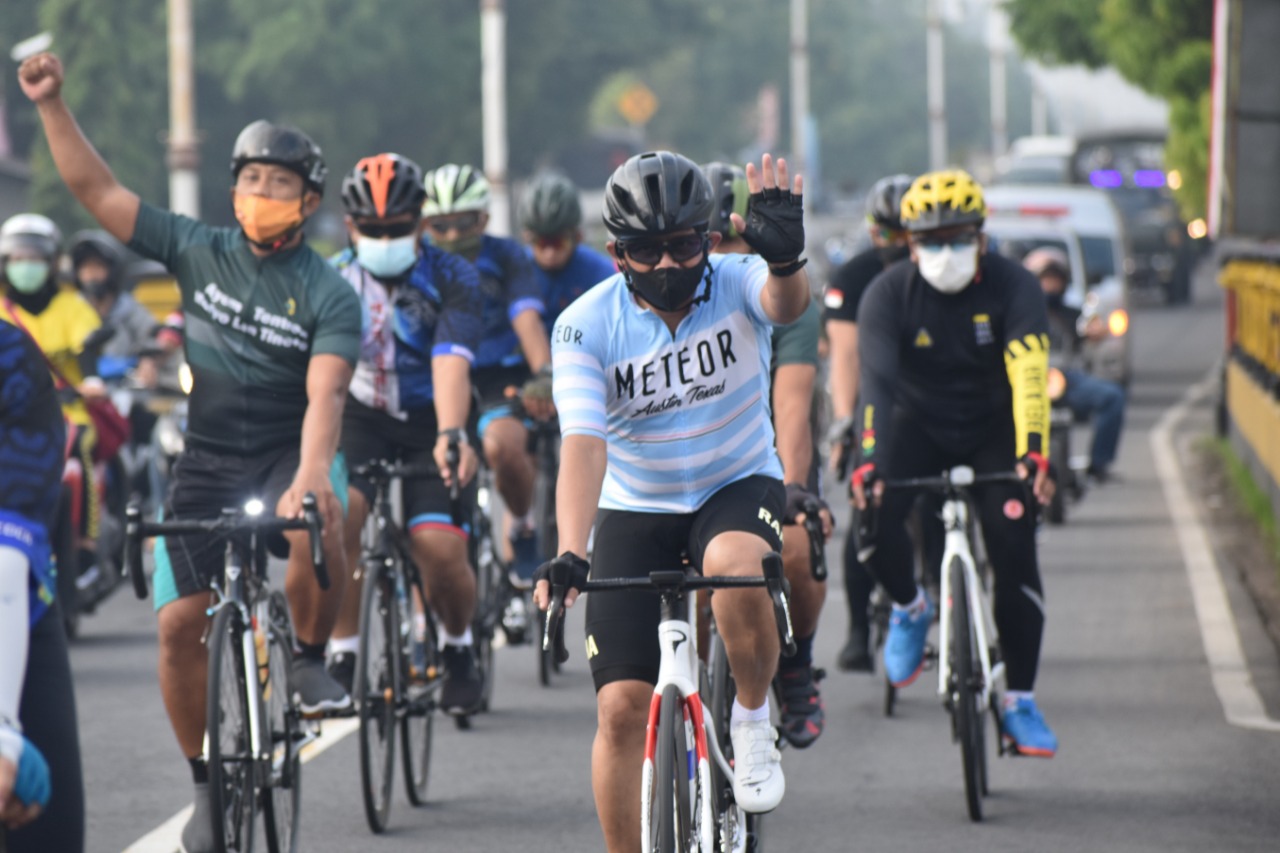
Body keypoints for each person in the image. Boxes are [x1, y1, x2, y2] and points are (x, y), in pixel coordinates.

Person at [19, 52, 362, 853]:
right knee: (178, 624)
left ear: (308, 201)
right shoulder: (196, 248)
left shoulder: (327, 290)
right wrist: (51, 105)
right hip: (206, 459)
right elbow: (98, 193)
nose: (260, 195)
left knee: (323, 514)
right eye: (250, 179)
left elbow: (328, 396)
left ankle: (310, 656)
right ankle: (207, 784)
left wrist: (310, 475)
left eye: (279, 185)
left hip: (288, 449)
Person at [534, 151, 809, 850]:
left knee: (736, 562)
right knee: (622, 710)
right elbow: (584, 445)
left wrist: (785, 263)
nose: (666, 265)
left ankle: (750, 721)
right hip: (637, 505)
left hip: (735, 482)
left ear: (710, 239)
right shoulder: (582, 324)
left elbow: (786, 305)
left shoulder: (741, 280)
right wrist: (571, 547)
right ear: (615, 254)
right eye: (645, 250)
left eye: (683, 245)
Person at [851, 169, 1059, 757]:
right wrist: (869, 460)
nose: (946, 253)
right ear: (909, 246)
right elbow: (877, 388)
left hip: (994, 429)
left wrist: (1034, 451)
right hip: (915, 428)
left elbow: (1030, 377)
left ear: (982, 239)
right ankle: (911, 607)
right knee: (872, 518)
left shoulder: (1015, 287)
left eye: (958, 238)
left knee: (1015, 544)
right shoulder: (888, 295)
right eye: (931, 242)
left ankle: (1019, 699)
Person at [328, 152, 486, 714]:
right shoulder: (333, 279)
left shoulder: (452, 275)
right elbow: (324, 371)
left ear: (420, 223)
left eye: (397, 228)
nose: (384, 238)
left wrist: (450, 433)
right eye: (372, 230)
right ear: (351, 227)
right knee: (339, 514)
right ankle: (342, 652)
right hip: (361, 414)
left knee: (438, 549)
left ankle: (458, 646)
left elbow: (450, 359)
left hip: (431, 414)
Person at [703, 160, 830, 749]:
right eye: (715, 239)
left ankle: (796, 664)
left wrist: (794, 489)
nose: (728, 251)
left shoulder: (780, 297)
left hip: (768, 458)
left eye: (738, 237)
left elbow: (792, 403)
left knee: (797, 545)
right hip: (692, 465)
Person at [422, 163, 550, 587]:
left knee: (503, 445)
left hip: (498, 373)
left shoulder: (508, 255)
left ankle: (521, 521)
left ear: (484, 219)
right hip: (437, 376)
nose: (454, 236)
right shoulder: (418, 262)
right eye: (440, 226)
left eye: (465, 224)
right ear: (425, 225)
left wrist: (545, 374)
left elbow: (526, 317)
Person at [0, 320, 84, 852]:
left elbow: (7, 550)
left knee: (43, 816)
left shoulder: (11, 358)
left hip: (13, 607)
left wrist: (5, 730)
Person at [0, 214, 106, 595]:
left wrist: (90, 381)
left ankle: (87, 546)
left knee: (78, 447)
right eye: (17, 257)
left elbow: (88, 346)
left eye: (35, 257)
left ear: (51, 262)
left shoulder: (71, 306)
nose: (25, 265)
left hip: (69, 414)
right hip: (12, 419)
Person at [518, 170, 616, 422]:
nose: (549, 253)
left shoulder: (602, 272)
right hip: (530, 374)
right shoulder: (517, 271)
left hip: (587, 370)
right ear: (528, 239)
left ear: (577, 237)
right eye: (542, 244)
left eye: (557, 243)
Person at [1023, 247, 1126, 483]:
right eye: (1044, 280)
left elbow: (1091, 328)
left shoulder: (1073, 315)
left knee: (1112, 396)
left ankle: (1098, 464)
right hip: (1027, 380)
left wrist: (1096, 332)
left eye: (1055, 280)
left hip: (1064, 379)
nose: (1050, 286)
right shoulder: (1019, 315)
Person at [69, 229, 158, 364]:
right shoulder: (70, 311)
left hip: (127, 383)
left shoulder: (130, 311)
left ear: (113, 270)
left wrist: (148, 362)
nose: (91, 275)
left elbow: (152, 341)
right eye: (85, 268)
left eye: (98, 266)